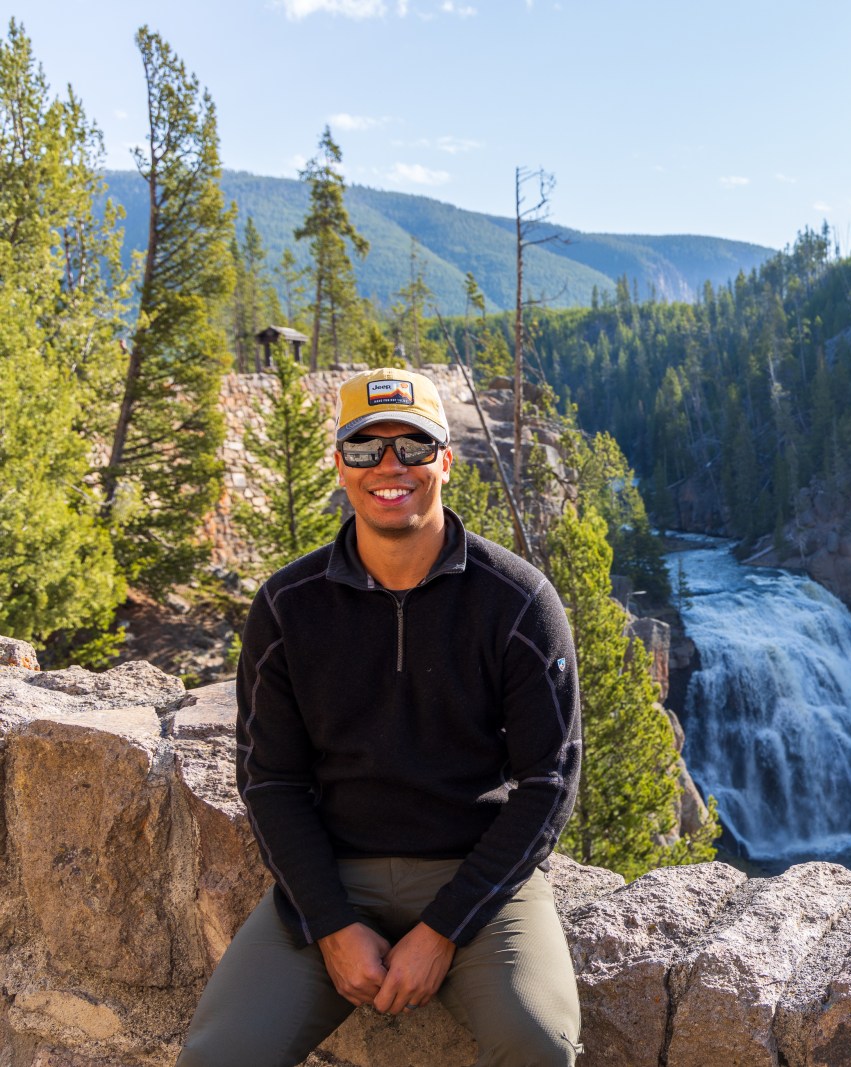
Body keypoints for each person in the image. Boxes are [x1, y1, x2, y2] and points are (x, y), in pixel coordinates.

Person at [180, 367, 583, 1067]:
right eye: (366, 449)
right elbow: (270, 780)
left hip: (476, 878)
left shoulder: (518, 604)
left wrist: (445, 928)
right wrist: (331, 923)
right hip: (335, 876)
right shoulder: (287, 607)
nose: (389, 467)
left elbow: (549, 783)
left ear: (446, 462)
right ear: (340, 466)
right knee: (217, 1057)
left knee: (540, 1045)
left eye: (413, 447)